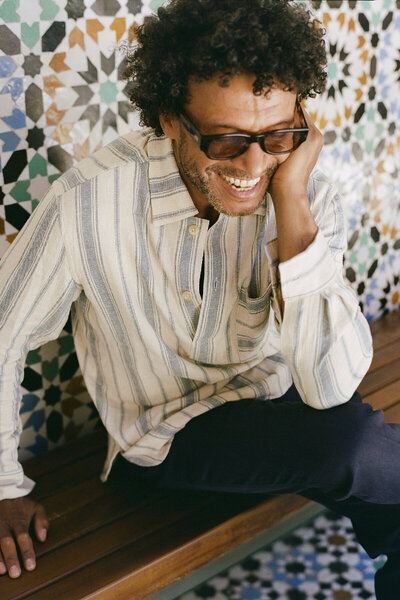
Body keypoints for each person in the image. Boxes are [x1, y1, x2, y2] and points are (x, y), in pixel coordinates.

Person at [0, 0, 398, 596]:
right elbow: (4, 336)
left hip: (282, 399)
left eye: (278, 135)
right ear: (169, 118)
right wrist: (3, 486)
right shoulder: (89, 202)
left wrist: (291, 200)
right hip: (171, 434)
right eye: (226, 140)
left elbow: (329, 386)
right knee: (355, 448)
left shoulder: (305, 190)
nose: (254, 164)